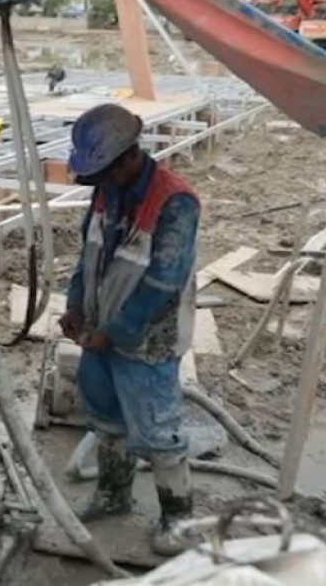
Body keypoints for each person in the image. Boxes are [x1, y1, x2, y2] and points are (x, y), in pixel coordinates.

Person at [59, 103, 201, 557]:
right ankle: (113, 494)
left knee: (158, 429)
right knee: (105, 418)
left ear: (127, 158)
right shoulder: (106, 189)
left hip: (149, 336)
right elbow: (89, 253)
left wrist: (116, 332)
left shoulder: (175, 201)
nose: (96, 183)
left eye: (102, 171)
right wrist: (76, 304)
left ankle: (178, 516)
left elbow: (164, 280)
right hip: (102, 328)